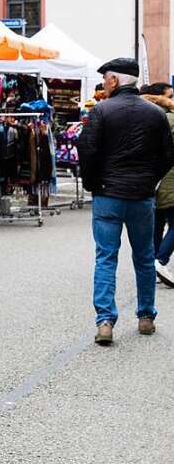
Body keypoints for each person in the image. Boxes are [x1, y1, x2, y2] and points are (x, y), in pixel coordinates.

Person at [79, 58, 174, 345]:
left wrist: (93, 184)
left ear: (114, 81)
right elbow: (169, 154)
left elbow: (87, 149)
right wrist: (150, 180)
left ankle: (105, 321)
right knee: (144, 257)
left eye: (107, 79)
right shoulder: (155, 114)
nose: (105, 84)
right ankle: (146, 317)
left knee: (106, 257)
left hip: (108, 193)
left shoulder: (102, 111)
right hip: (141, 195)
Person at [140, 86, 174, 289]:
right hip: (169, 177)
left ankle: (150, 268)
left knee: (156, 224)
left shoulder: (142, 120)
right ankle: (159, 261)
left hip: (149, 179)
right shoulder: (169, 119)